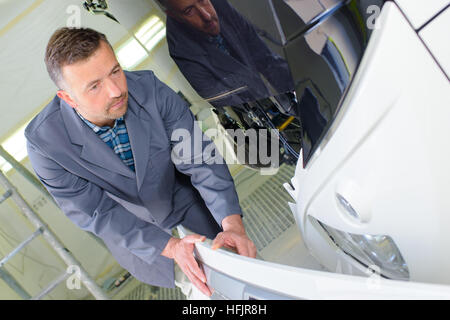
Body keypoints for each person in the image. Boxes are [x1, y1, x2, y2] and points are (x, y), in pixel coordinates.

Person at [25, 27, 256, 297]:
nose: (115, 91)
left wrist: (232, 226)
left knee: (252, 277)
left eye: (114, 71)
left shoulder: (150, 89)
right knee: (212, 295)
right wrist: (171, 247)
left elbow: (199, 159)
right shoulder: (45, 144)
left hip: (185, 202)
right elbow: (97, 212)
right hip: (138, 236)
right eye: (95, 86)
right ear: (68, 98)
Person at [161, 0, 295, 107]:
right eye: (189, 11)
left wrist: (299, 93)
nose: (206, 15)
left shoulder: (219, 4)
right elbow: (235, 107)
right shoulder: (182, 51)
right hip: (251, 109)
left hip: (265, 92)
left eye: (202, 0)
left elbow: (266, 59)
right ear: (173, 15)